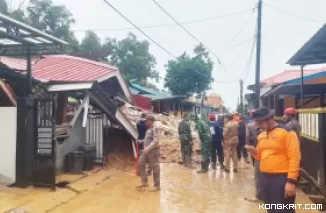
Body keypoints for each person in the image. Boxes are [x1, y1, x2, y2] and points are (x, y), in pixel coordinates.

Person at [246, 107, 301, 213]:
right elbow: (259, 157)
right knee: (271, 209)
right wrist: (253, 152)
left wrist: (291, 182)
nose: (258, 126)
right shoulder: (261, 135)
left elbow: (295, 157)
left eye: (260, 123)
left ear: (269, 119)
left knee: (284, 210)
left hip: (281, 179)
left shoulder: (287, 133)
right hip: (265, 178)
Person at [136, 114, 161, 192]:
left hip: (153, 151)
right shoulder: (149, 128)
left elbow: (156, 140)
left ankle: (157, 186)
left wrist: (148, 148)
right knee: (140, 164)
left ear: (150, 121)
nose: (145, 122)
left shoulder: (155, 128)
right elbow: (148, 139)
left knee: (155, 167)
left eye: (146, 121)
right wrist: (141, 141)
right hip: (147, 151)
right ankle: (144, 182)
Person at [245, 112, 263, 202]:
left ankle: (259, 195)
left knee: (257, 173)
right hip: (262, 151)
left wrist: (247, 145)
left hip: (255, 148)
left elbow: (247, 136)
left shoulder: (249, 125)